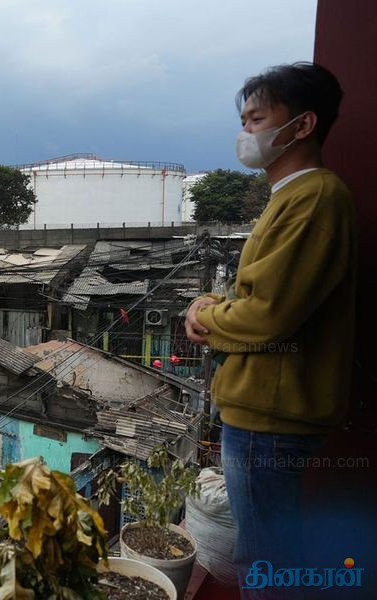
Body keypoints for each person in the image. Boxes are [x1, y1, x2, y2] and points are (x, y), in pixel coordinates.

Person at [185, 63, 355, 597]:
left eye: (257, 119)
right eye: (243, 121)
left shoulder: (314, 199)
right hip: (264, 410)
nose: (246, 133)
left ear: (302, 125)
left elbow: (268, 316)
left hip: (271, 415)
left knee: (264, 554)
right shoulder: (290, 196)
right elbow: (263, 295)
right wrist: (216, 303)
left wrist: (204, 318)